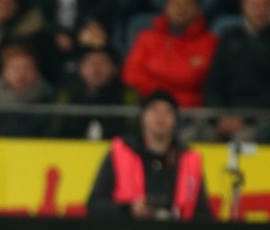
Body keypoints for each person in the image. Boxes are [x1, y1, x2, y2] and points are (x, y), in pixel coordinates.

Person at [87, 89, 211, 220]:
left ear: (175, 120)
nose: (160, 117)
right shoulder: (122, 151)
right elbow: (95, 204)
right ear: (143, 116)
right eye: (154, 110)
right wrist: (129, 209)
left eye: (167, 112)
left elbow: (203, 213)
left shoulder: (189, 159)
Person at [122, 0, 218, 108]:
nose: (180, 8)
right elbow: (131, 76)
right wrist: (171, 87)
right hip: (151, 112)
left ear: (198, 8)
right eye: (174, 3)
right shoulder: (146, 38)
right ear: (166, 7)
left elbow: (192, 78)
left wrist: (156, 77)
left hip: (190, 116)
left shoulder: (210, 42)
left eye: (187, 3)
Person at [203, 0, 270, 143]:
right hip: (226, 115)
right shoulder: (228, 37)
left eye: (266, 4)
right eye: (254, 5)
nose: (260, 11)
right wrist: (220, 117)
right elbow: (214, 83)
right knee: (192, 137)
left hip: (262, 118)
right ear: (243, 6)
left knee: (243, 140)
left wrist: (245, 119)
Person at [36, 0, 116, 82]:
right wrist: (56, 32)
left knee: (98, 43)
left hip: (85, 35)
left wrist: (83, 31)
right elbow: (40, 11)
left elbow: (104, 10)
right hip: (52, 36)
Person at [52, 46, 139, 139]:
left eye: (102, 63)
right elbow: (54, 130)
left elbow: (134, 131)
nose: (96, 68)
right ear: (81, 68)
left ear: (114, 68)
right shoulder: (66, 95)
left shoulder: (127, 96)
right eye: (91, 63)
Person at [0, 43, 53, 137]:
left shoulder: (50, 103)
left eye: (26, 68)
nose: (21, 74)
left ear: (36, 70)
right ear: (3, 71)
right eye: (15, 68)